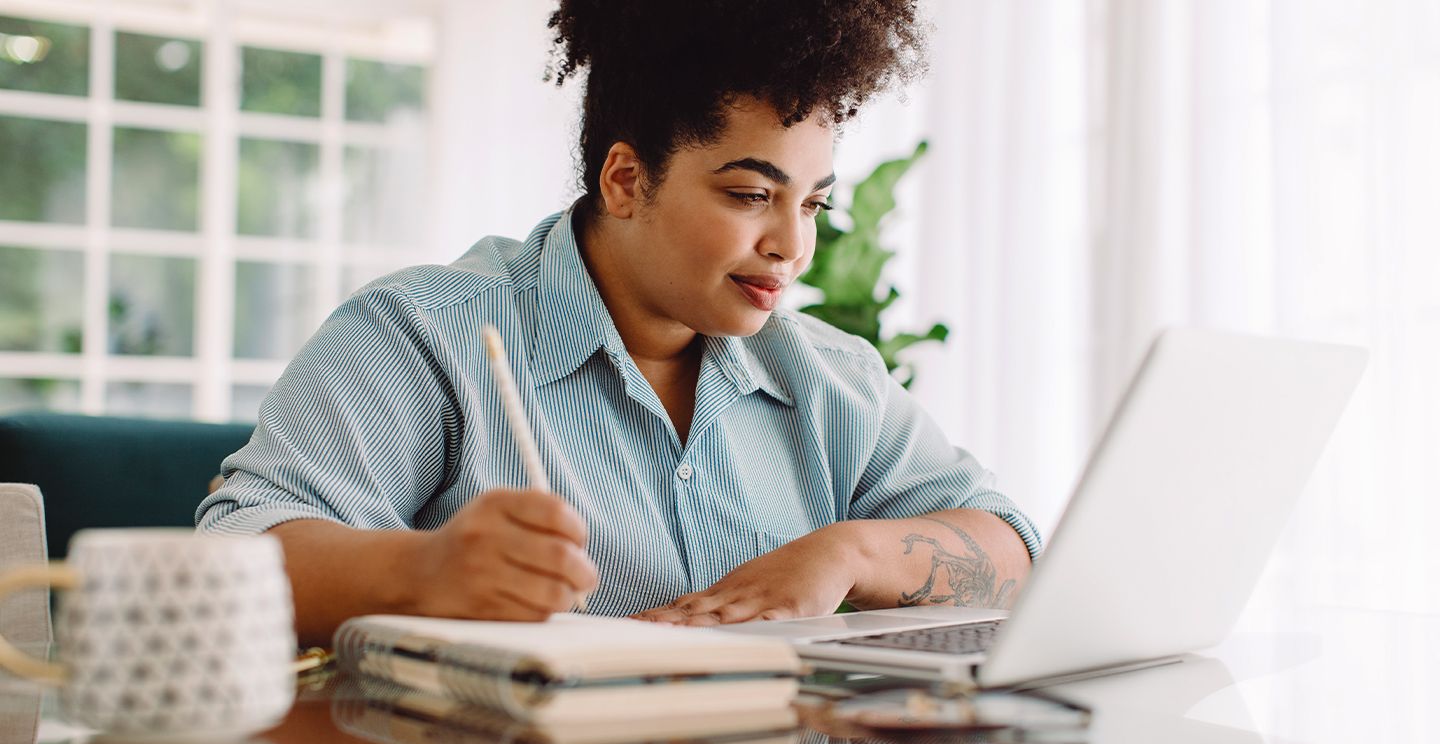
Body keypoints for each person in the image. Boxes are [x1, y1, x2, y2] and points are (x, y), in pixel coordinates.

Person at [198, 0, 1042, 647]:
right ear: (626, 180)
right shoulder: (426, 334)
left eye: (812, 203)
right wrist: (425, 569)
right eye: (751, 195)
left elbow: (1010, 551)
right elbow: (229, 561)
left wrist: (846, 554)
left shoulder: (830, 380)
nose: (792, 245)